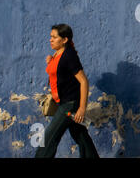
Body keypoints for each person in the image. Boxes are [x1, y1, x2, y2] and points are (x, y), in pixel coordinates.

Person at [35, 24, 99, 158]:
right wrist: (50, 62)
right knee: (81, 136)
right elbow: (60, 72)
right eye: (50, 37)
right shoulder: (58, 53)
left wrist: (82, 108)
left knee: (48, 138)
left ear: (64, 40)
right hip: (63, 101)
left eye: (54, 37)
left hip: (69, 104)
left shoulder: (69, 55)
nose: (50, 40)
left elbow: (83, 81)